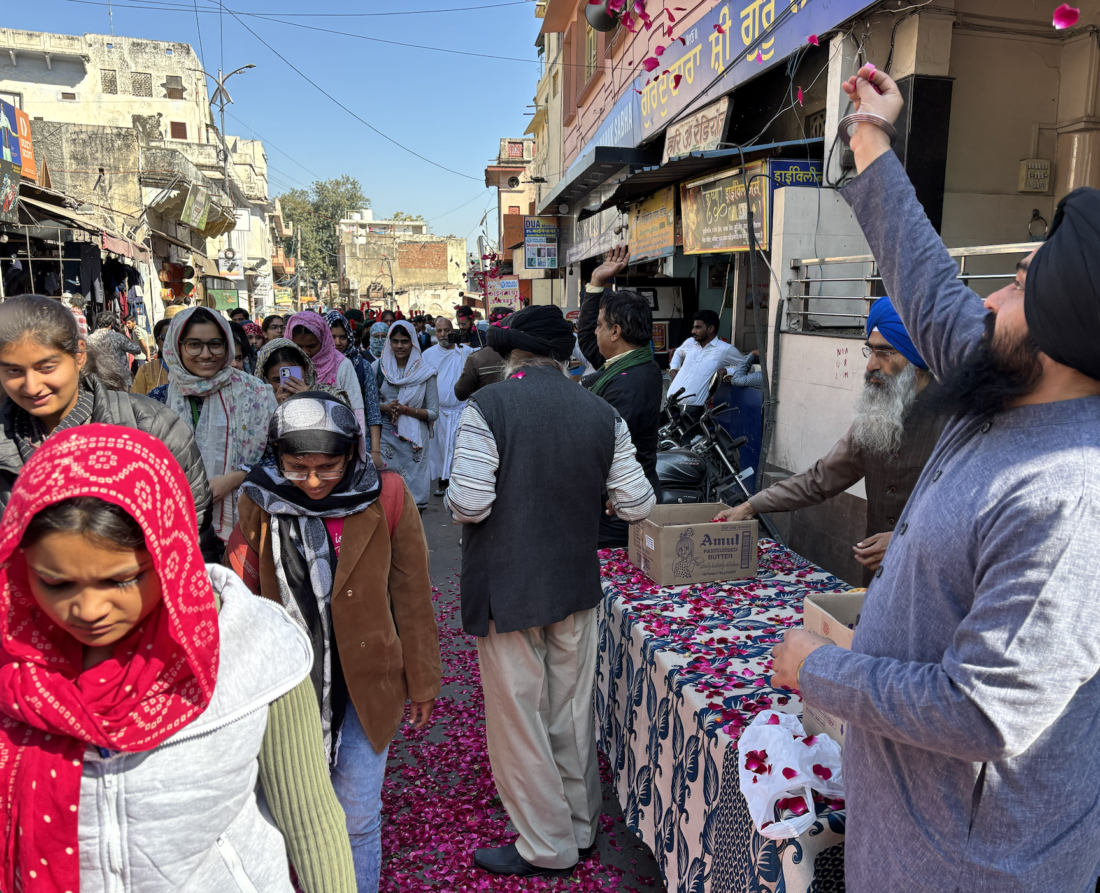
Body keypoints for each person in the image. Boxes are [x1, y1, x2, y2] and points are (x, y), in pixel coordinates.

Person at [770, 64, 1100, 892]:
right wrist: (872, 136)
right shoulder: (1018, 378)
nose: (989, 300)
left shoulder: (1082, 499)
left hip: (975, 861)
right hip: (914, 824)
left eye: (1021, 285)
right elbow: (926, 283)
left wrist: (817, 668)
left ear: (1069, 333)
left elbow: (982, 710)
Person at [0, 423, 355, 893]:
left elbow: (309, 818)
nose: (87, 610)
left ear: (173, 556)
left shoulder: (251, 647)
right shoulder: (12, 665)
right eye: (56, 583)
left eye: (121, 579)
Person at [448, 305, 655, 878]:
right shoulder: (600, 412)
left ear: (513, 354)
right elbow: (639, 505)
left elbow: (469, 503)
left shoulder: (487, 407)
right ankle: (582, 826)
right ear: (565, 358)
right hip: (574, 582)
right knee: (569, 709)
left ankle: (546, 844)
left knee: (520, 717)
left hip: (506, 585)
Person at [227, 391, 443, 893]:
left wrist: (423, 681)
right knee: (290, 812)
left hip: (370, 681)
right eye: (297, 467)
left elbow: (410, 593)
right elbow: (244, 595)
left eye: (329, 466)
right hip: (289, 684)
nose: (314, 480)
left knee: (359, 816)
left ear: (352, 454)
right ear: (275, 456)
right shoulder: (259, 499)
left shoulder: (386, 494)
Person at [725, 295, 946, 584]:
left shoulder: (958, 421)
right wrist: (751, 505)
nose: (871, 366)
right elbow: (822, 477)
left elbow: (977, 514)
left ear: (917, 358)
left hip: (935, 579)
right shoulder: (876, 418)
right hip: (880, 579)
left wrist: (908, 538)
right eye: (871, 352)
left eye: (885, 353)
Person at [0, 296, 221, 561]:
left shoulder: (151, 427)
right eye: (14, 371)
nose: (32, 386)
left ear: (79, 355)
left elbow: (194, 538)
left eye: (47, 367)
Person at [148, 307, 276, 544]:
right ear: (177, 347)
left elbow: (278, 459)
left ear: (227, 346)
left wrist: (235, 478)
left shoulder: (256, 393)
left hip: (246, 526)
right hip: (174, 526)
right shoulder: (158, 399)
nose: (206, 354)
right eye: (194, 344)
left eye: (215, 344)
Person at [577, 245, 663, 547]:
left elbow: (606, 449)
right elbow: (587, 339)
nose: (595, 331)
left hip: (619, 502)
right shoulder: (629, 363)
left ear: (615, 332)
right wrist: (596, 284)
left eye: (601, 325)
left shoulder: (631, 381)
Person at [285, 312, 368, 459]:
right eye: (298, 346)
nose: (305, 352)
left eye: (311, 346)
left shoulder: (341, 365)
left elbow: (356, 411)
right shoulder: (285, 364)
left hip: (333, 447)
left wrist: (357, 451)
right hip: (293, 448)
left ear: (323, 340)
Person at [375, 320, 439, 509]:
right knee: (387, 499)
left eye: (405, 341)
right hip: (386, 438)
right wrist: (386, 408)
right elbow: (366, 406)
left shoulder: (426, 373)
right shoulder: (377, 369)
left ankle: (413, 536)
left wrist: (406, 410)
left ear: (413, 343)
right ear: (389, 342)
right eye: (395, 341)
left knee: (413, 502)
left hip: (415, 444)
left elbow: (434, 412)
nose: (399, 346)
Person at [327, 309, 384, 470]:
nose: (338, 343)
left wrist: (375, 451)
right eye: (332, 337)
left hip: (359, 439)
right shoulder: (315, 366)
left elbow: (372, 410)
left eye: (343, 337)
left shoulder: (361, 366)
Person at [423, 316, 473, 496]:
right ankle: (443, 481)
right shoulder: (428, 355)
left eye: (447, 330)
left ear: (454, 331)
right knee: (440, 448)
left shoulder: (465, 352)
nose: (443, 334)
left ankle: (458, 484)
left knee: (459, 448)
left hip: (461, 410)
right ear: (435, 333)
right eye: (439, 331)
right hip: (439, 412)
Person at [669, 309, 745, 417]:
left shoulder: (725, 350)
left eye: (698, 327)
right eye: (694, 327)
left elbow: (748, 367)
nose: (693, 331)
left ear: (710, 328)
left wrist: (726, 370)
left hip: (692, 412)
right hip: (670, 406)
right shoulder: (690, 343)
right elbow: (678, 353)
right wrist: (673, 369)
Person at [454, 307, 512, 400]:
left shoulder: (482, 336)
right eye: (458, 324)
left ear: (471, 319)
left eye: (464, 324)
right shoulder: (455, 337)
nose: (461, 327)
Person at [88, 311, 144, 390]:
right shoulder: (118, 337)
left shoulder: (89, 339)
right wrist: (124, 335)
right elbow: (137, 350)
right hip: (120, 380)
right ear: (112, 323)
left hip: (98, 381)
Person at [131, 317, 172, 395]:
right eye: (165, 338)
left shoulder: (193, 368)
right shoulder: (145, 370)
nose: (171, 342)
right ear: (157, 342)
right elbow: (136, 400)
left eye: (176, 337)